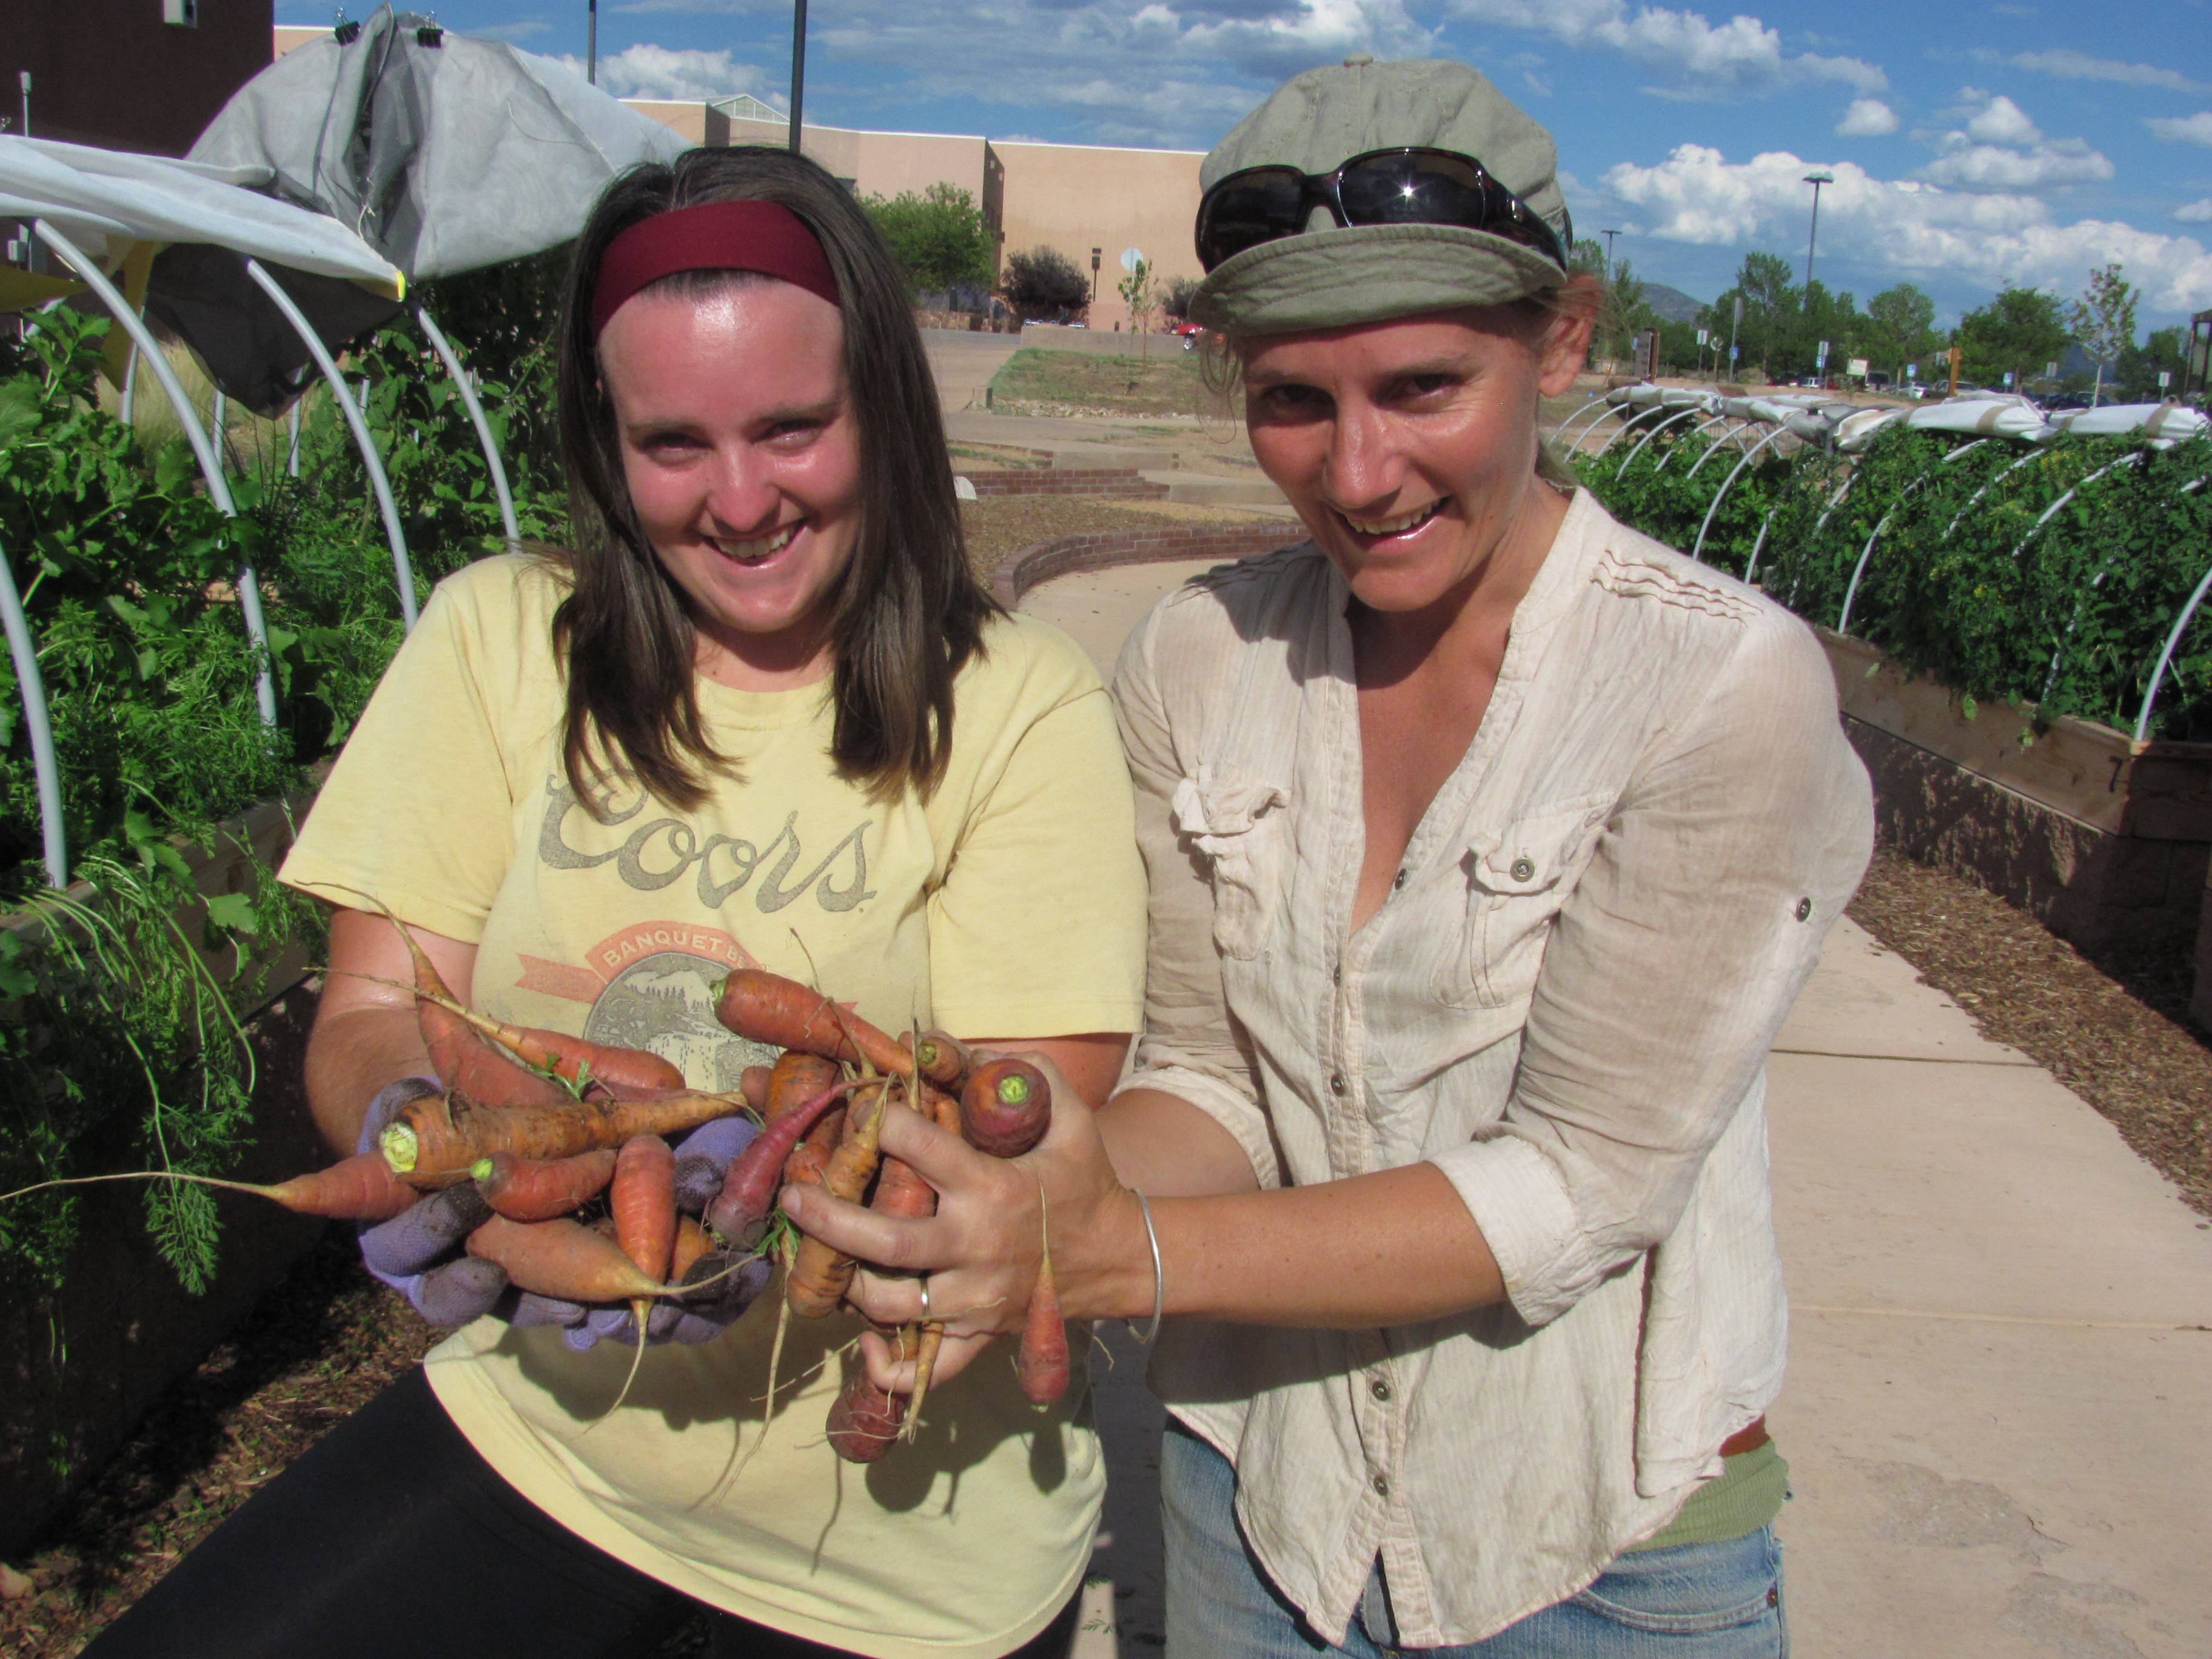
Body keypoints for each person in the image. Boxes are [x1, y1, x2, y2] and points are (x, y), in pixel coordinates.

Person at [787, 58, 1874, 1657]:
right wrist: (1021, 1201)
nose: (1357, 475)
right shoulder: (1201, 659)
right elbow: (1212, 1082)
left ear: (1563, 341)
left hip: (1591, 1553)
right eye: (1293, 399)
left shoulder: (1714, 685)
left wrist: (1120, 1253)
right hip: (1257, 1501)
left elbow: (1581, 1184)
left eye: (1425, 387)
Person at [83, 146, 1145, 1659]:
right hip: (547, 1436)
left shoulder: (1018, 704)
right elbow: (376, 1008)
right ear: (605, 435)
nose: (740, 501)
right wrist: (445, 1150)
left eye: (793, 428)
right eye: (673, 443)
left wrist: (765, 1195)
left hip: (898, 1540)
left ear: (883, 413)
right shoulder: (502, 641)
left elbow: (1019, 1132)